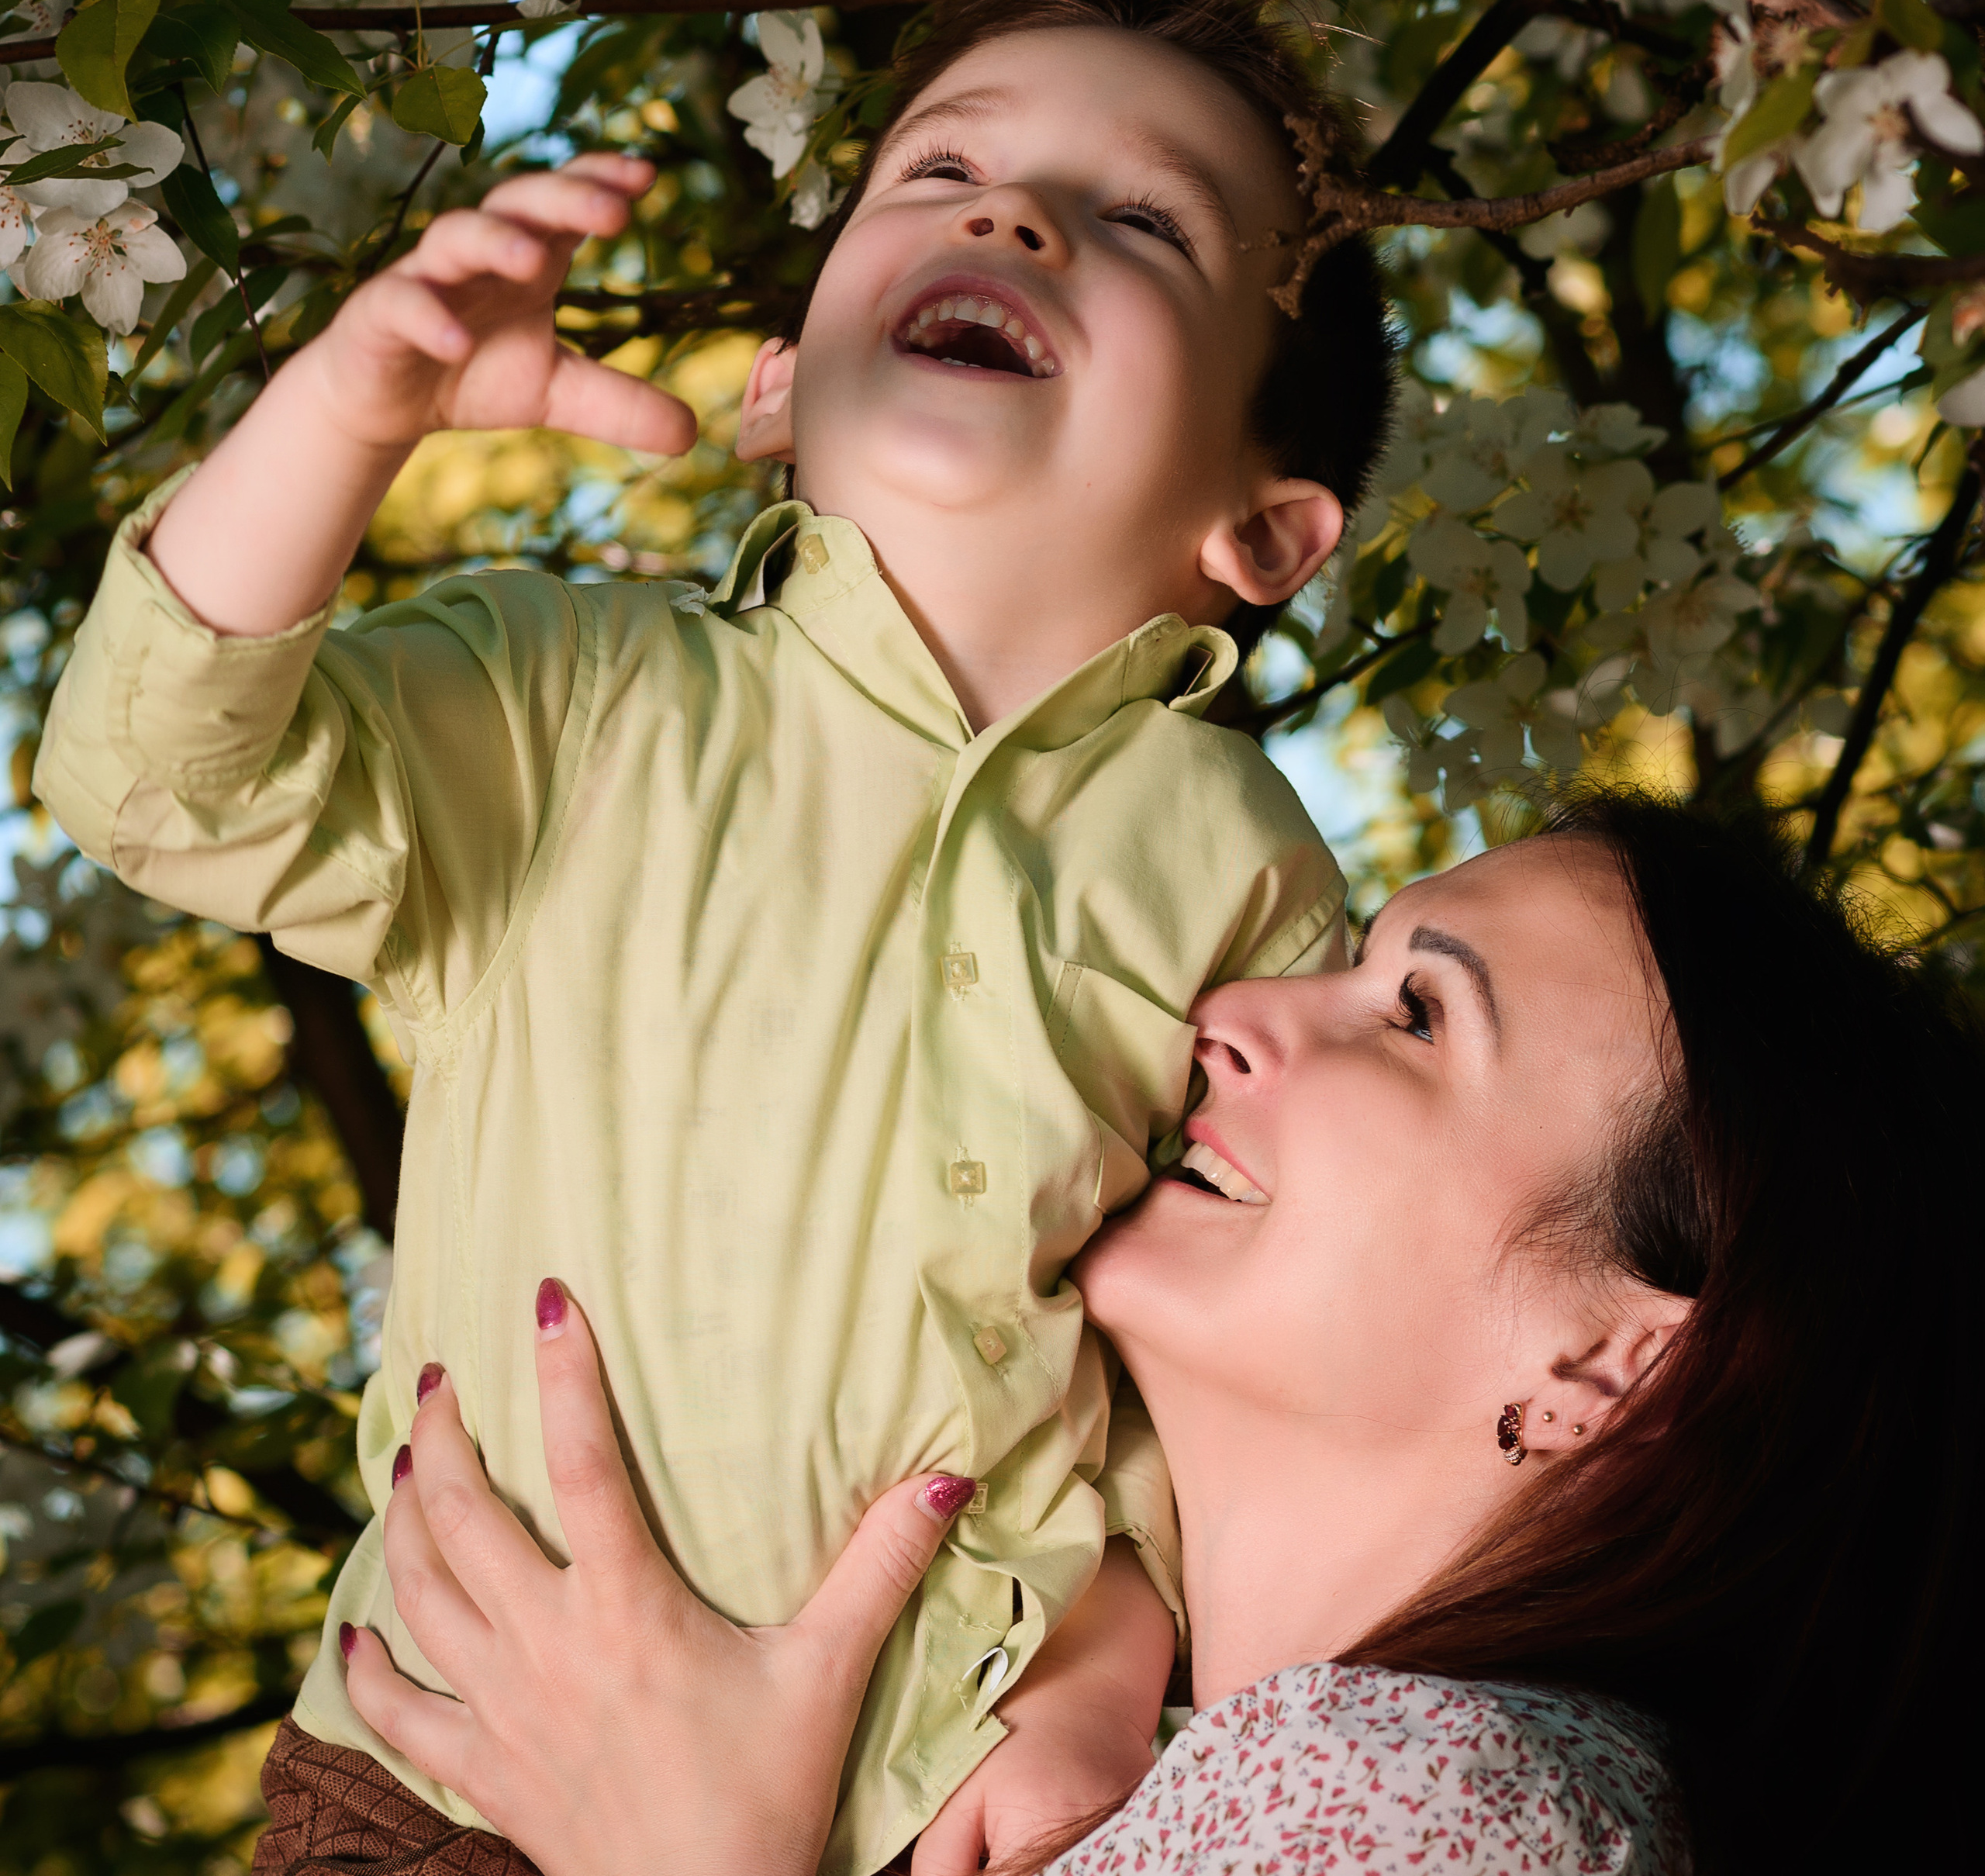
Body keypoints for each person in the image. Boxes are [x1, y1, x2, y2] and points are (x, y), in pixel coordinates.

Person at [31, 0, 1400, 1876]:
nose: (1010, 217)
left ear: (1259, 530)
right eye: (939, 172)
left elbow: (1226, 1329)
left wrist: (1116, 1638)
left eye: (1145, 219)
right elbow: (154, 778)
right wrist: (345, 413)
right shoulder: (579, 691)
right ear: (779, 385)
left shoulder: (1245, 862)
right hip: (443, 1778)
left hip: (944, 1796)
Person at [323, 796, 1976, 1874]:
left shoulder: (1448, 1809)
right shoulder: (1209, 1770)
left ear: (1603, 1367)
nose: (1235, 1013)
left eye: (1412, 1013)